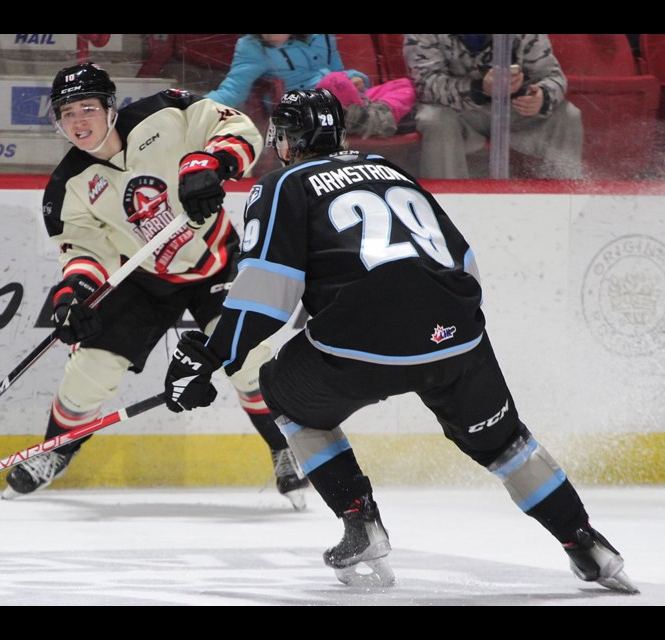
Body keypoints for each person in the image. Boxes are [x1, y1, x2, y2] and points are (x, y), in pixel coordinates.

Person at [162, 87, 638, 592]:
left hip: (363, 337)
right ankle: (584, 540)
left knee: (283, 393)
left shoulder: (283, 184)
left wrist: (212, 356)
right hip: (456, 333)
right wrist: (441, 331)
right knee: (504, 442)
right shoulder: (392, 171)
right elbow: (465, 264)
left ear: (286, 140)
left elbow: (266, 294)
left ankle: (359, 523)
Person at [3, 62, 310, 509]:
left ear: (111, 107)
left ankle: (285, 447)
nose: (78, 122)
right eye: (67, 114)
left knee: (249, 364)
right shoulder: (66, 188)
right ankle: (57, 449)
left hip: (217, 263)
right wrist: (74, 296)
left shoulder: (164, 112)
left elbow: (236, 126)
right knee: (90, 370)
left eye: (87, 108)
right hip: (143, 279)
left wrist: (214, 161)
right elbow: (85, 253)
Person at [404, 34, 583, 179]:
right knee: (434, 119)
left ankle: (562, 201)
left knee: (567, 115)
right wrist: (479, 88)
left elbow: (553, 76)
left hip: (513, 112)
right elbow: (425, 85)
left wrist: (542, 97)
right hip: (457, 114)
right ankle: (445, 208)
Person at [206, 34, 415, 140]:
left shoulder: (321, 36)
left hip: (345, 96)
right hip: (306, 110)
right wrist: (194, 104)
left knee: (406, 85)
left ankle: (367, 118)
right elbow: (232, 90)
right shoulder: (252, 47)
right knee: (335, 83)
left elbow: (338, 70)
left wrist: (356, 78)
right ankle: (374, 119)